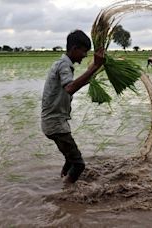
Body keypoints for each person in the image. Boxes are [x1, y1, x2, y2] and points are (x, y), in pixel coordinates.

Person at [41, 30, 105, 185]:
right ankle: (66, 195)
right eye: (84, 51)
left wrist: (94, 70)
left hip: (54, 122)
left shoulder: (62, 64)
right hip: (55, 124)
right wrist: (95, 66)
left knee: (70, 160)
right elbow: (70, 88)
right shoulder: (64, 65)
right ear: (74, 48)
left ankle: (62, 181)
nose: (84, 55)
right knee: (79, 164)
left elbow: (72, 85)